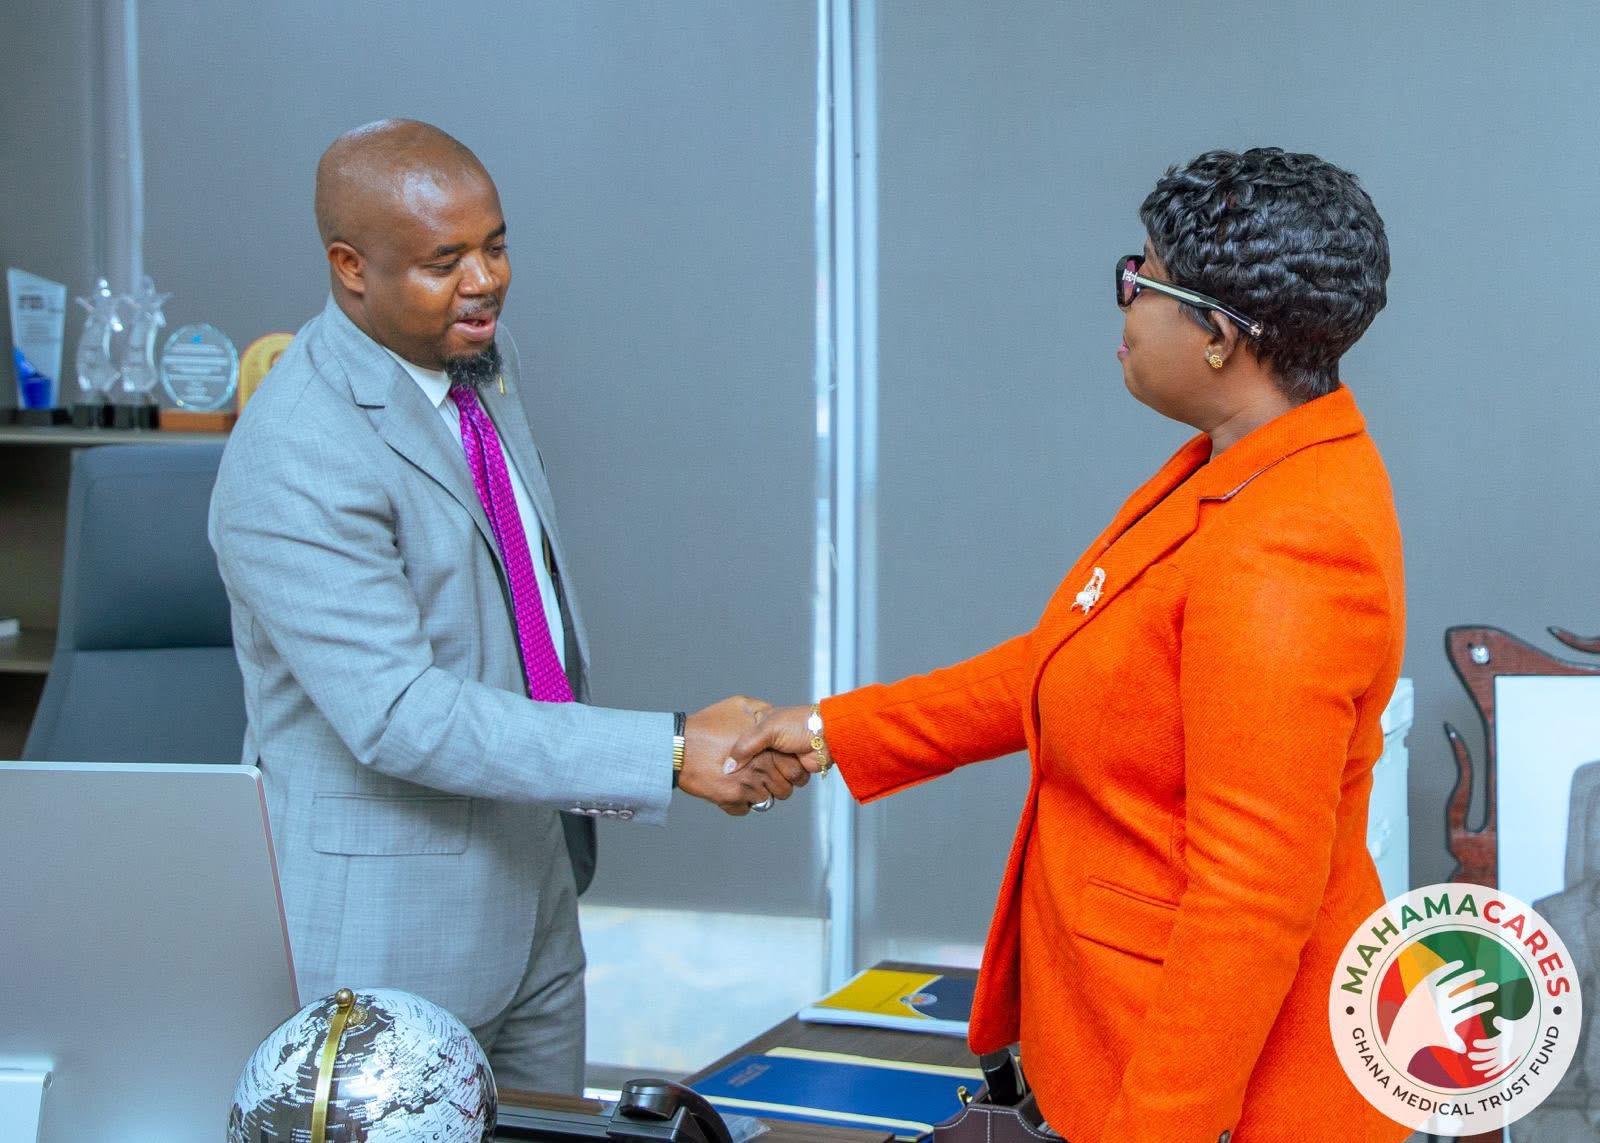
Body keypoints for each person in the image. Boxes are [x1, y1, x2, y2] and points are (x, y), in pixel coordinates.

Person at [736, 148, 1409, 1142]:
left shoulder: (1291, 545)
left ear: (1219, 336)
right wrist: (835, 729)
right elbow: (1079, 659)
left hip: (1215, 1095)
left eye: (1143, 278)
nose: (1125, 300)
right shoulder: (1238, 466)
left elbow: (1250, 899)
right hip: (1108, 1034)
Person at [209, 119, 806, 1094]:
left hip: (533, 895)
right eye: (444, 262)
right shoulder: (297, 451)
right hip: (390, 942)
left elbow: (509, 615)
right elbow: (400, 714)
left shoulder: (477, 356)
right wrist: (665, 749)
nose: (484, 282)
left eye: (495, 246)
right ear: (351, 268)